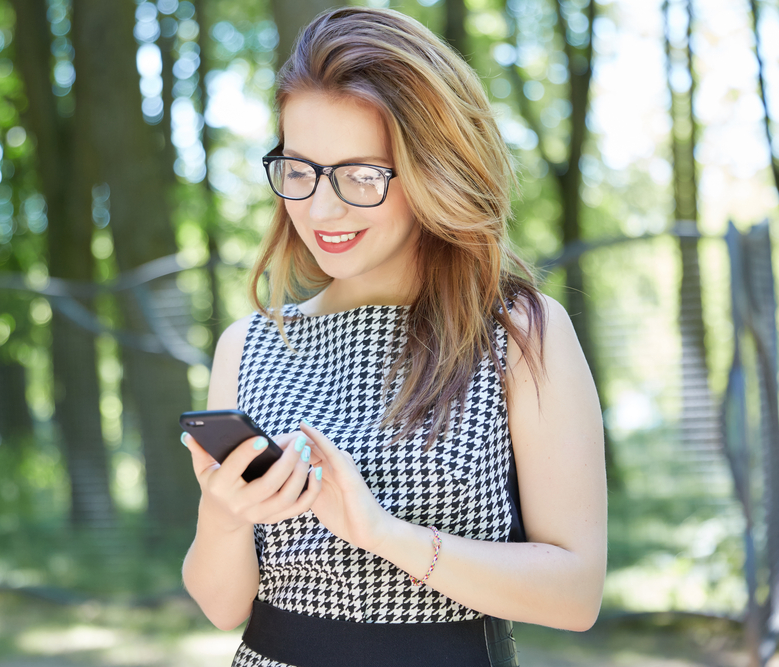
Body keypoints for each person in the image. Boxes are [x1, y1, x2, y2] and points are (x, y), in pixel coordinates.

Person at [179, 7, 606, 666]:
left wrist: (382, 533)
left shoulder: (516, 333)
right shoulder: (249, 344)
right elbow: (222, 606)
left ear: (434, 170)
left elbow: (575, 594)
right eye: (300, 170)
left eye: (361, 175)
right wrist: (224, 515)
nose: (321, 208)